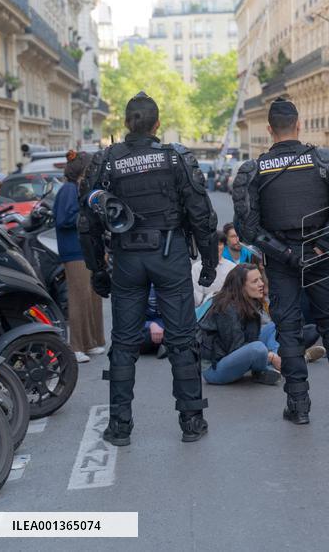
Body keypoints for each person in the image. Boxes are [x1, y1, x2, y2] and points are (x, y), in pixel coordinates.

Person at [79, 91, 219, 446]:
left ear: (126, 124)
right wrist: (209, 261)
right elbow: (201, 214)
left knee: (124, 344)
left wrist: (97, 269)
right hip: (169, 255)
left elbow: (87, 222)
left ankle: (119, 427)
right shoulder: (175, 158)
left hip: (127, 259)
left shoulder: (106, 161)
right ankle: (191, 422)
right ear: (157, 124)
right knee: (182, 339)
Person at [232, 96, 329, 425]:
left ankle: (298, 405)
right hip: (317, 257)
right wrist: (319, 247)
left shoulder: (254, 169)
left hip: (281, 259)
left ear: (269, 129)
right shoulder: (324, 159)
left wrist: (286, 253)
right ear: (299, 125)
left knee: (288, 330)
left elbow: (247, 227)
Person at [53, 151, 106, 362]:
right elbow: (63, 220)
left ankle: (91, 342)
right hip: (74, 251)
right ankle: (76, 347)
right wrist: (87, 212)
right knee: (79, 297)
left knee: (92, 295)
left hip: (85, 249)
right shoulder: (68, 189)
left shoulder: (77, 188)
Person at [198, 264, 282, 385]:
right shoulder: (226, 308)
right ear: (241, 287)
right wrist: (270, 356)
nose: (261, 284)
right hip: (215, 368)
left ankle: (277, 360)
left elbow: (251, 337)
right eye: (255, 281)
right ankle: (266, 367)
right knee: (258, 348)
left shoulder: (248, 300)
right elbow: (235, 347)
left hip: (236, 354)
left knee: (275, 326)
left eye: (260, 279)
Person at [193, 231, 237, 309]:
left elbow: (236, 294)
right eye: (212, 245)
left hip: (229, 308)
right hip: (205, 311)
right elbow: (196, 300)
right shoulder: (197, 268)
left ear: (224, 246)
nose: (216, 248)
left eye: (219, 244)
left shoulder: (233, 267)